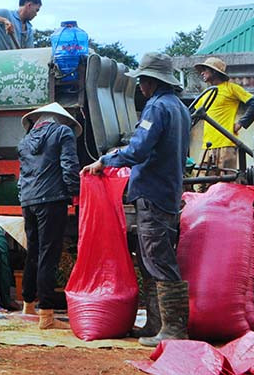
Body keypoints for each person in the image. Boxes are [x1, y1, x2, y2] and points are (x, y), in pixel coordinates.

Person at [82, 52, 191, 347]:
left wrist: (105, 161)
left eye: (142, 80)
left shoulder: (156, 108)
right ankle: (156, 323)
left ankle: (173, 328)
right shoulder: (179, 108)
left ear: (151, 81)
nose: (140, 86)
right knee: (150, 260)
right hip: (167, 192)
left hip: (153, 193)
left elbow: (139, 150)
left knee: (158, 259)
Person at [17, 101, 81, 330]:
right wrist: (75, 192)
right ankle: (46, 314)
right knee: (49, 254)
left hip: (28, 201)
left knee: (32, 252)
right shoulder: (63, 132)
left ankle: (28, 305)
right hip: (52, 200)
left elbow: (22, 177)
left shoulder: (24, 141)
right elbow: (69, 165)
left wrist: (25, 198)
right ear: (58, 119)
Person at [194, 56, 254, 173]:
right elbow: (194, 114)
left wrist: (241, 123)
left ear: (214, 72)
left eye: (205, 70)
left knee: (226, 182)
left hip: (226, 143)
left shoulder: (231, 88)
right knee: (201, 183)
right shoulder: (207, 93)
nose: (202, 73)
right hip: (208, 145)